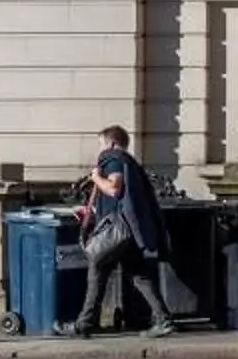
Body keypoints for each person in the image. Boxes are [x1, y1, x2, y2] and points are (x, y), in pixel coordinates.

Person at [69, 124, 174, 339]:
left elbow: (115, 189)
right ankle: (163, 320)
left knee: (97, 266)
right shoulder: (131, 163)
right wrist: (91, 210)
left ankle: (84, 324)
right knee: (139, 275)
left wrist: (96, 177)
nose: (100, 150)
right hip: (129, 230)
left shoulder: (113, 158)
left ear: (112, 143)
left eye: (101, 144)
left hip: (118, 230)